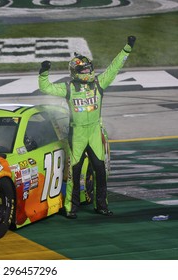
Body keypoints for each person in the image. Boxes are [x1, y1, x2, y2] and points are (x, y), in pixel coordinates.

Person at [38, 36, 136, 219]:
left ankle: (102, 205)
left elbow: (115, 67)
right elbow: (46, 88)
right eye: (83, 69)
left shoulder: (99, 83)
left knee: (100, 170)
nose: (86, 71)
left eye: (88, 68)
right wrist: (43, 73)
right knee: (74, 173)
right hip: (77, 135)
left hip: (93, 132)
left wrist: (127, 49)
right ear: (75, 71)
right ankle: (70, 209)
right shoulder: (68, 88)